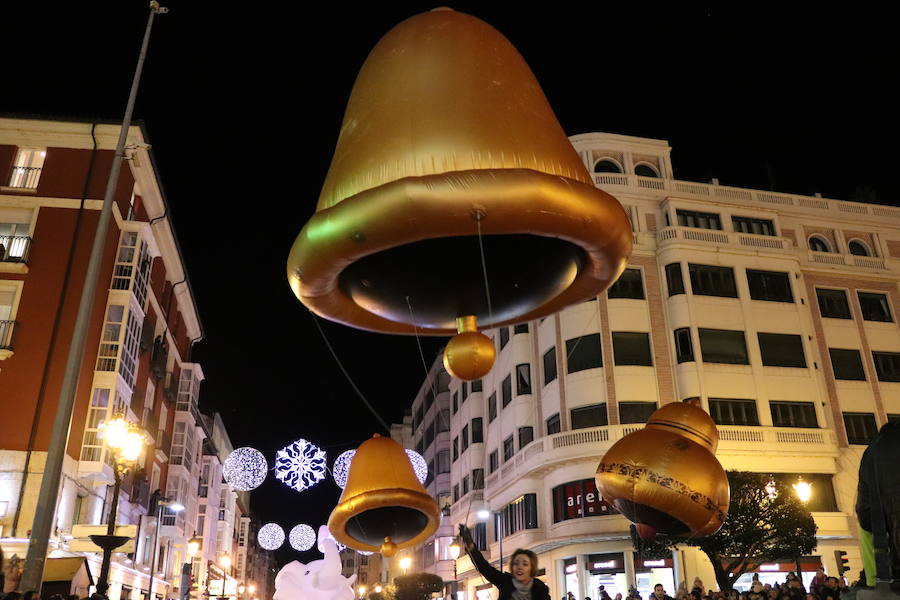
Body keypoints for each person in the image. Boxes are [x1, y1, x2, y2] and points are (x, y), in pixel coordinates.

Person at [459, 524, 550, 600]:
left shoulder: (540, 588)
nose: (519, 567)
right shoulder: (505, 581)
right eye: (516, 563)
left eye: (525, 564)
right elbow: (484, 567)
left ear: (532, 567)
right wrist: (471, 547)